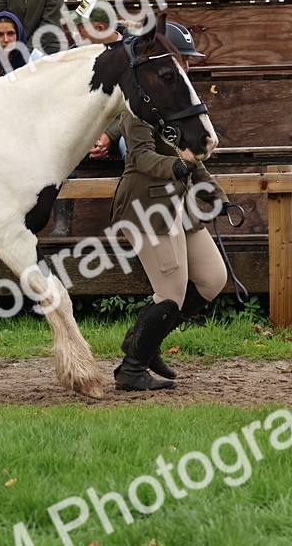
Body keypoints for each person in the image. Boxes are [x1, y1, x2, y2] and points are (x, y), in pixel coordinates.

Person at [102, 21, 229, 392]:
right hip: (146, 205)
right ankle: (132, 368)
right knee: (171, 294)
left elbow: (191, 156)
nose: (186, 67)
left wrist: (214, 192)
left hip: (180, 207)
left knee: (212, 279)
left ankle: (145, 341)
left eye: (187, 61)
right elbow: (140, 157)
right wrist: (176, 166)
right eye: (181, 60)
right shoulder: (139, 104)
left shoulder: (178, 102)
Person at [0, 10, 43, 78]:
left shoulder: (35, 59)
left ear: (18, 34)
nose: (6, 40)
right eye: (0, 35)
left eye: (10, 33)